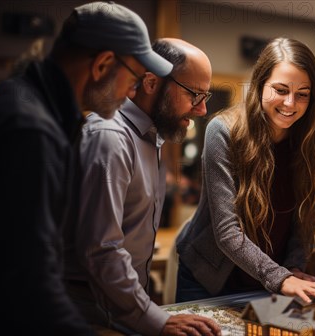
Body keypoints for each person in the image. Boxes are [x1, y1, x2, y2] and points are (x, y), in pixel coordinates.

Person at [0, 2, 171, 334]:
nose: (131, 93)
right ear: (103, 65)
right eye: (134, 79)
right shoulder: (31, 130)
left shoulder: (23, 97)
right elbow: (28, 283)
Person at [63, 38, 221, 336]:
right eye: (194, 95)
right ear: (150, 82)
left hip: (118, 309)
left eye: (205, 96)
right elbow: (101, 249)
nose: (201, 110)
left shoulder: (150, 138)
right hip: (87, 314)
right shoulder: (109, 137)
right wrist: (154, 318)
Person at [175, 37, 315, 305]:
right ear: (260, 85)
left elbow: (304, 218)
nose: (290, 103)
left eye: (302, 94)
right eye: (280, 89)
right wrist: (281, 277)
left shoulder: (311, 138)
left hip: (270, 279)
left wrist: (294, 267)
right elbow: (227, 231)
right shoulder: (224, 131)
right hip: (208, 279)